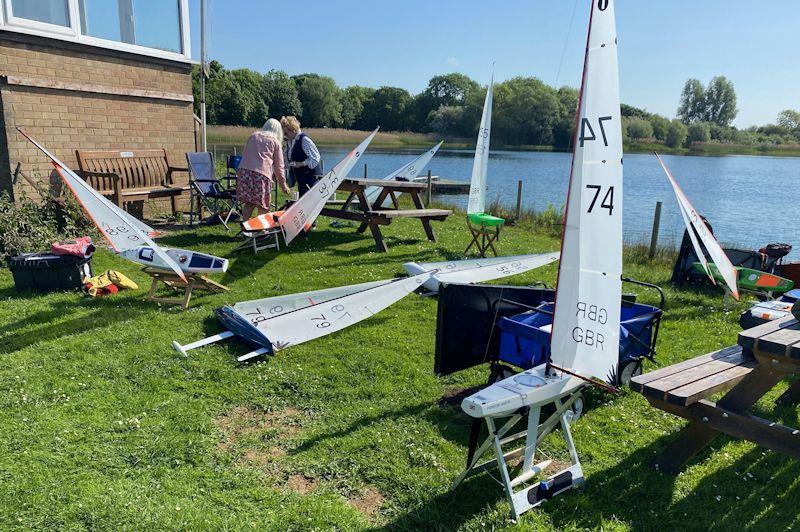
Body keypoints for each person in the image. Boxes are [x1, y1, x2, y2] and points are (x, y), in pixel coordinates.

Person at [236, 118, 291, 220]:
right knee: (263, 205)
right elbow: (279, 166)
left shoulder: (253, 136)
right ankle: (261, 230)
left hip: (244, 172)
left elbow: (244, 154)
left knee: (249, 203)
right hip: (261, 175)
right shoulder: (275, 142)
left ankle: (245, 228)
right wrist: (283, 185)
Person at [280, 116, 322, 197]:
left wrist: (302, 163)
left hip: (311, 179)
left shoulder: (304, 140)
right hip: (301, 181)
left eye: (286, 133)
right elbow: (286, 158)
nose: (285, 136)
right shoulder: (290, 142)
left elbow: (315, 159)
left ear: (292, 130)